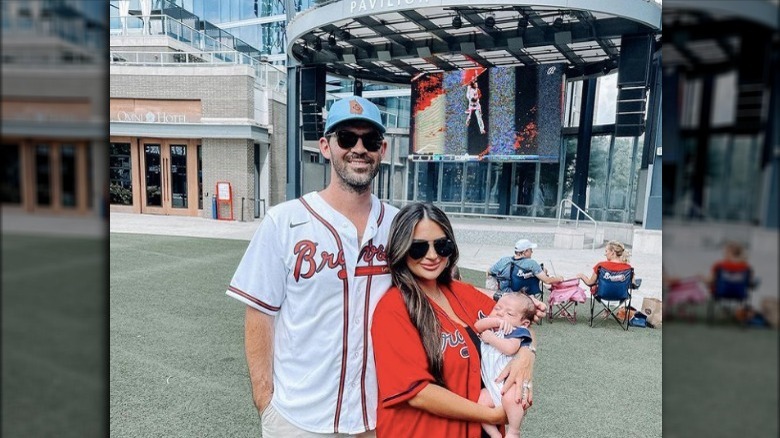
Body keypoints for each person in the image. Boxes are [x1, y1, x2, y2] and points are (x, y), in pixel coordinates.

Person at [226, 96, 398, 437]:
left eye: (371, 140)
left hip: (375, 419)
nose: (359, 148)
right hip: (298, 419)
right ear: (325, 146)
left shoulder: (400, 225)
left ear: (383, 149)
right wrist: (265, 399)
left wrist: (523, 340)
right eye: (346, 138)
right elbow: (260, 314)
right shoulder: (284, 221)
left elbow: (443, 296)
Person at [371, 203, 544, 438]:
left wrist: (526, 356)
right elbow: (417, 393)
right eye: (418, 248)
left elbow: (522, 327)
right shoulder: (392, 308)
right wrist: (492, 416)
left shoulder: (462, 292)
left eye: (442, 245)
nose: (432, 256)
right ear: (400, 249)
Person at [475, 293, 536, 438]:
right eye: (497, 308)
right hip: (490, 385)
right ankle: (494, 434)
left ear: (524, 323)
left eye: (509, 313)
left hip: (506, 384)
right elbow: (477, 325)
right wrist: (494, 322)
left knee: (513, 399)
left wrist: (490, 338)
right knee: (480, 402)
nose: (500, 313)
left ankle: (514, 431)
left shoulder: (518, 331)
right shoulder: (490, 327)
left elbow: (510, 348)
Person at [487, 239, 564, 300]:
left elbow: (488, 272)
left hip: (504, 294)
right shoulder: (531, 264)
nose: (532, 252)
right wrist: (559, 278)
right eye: (530, 250)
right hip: (523, 296)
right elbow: (547, 280)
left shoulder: (504, 260)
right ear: (525, 251)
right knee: (538, 281)